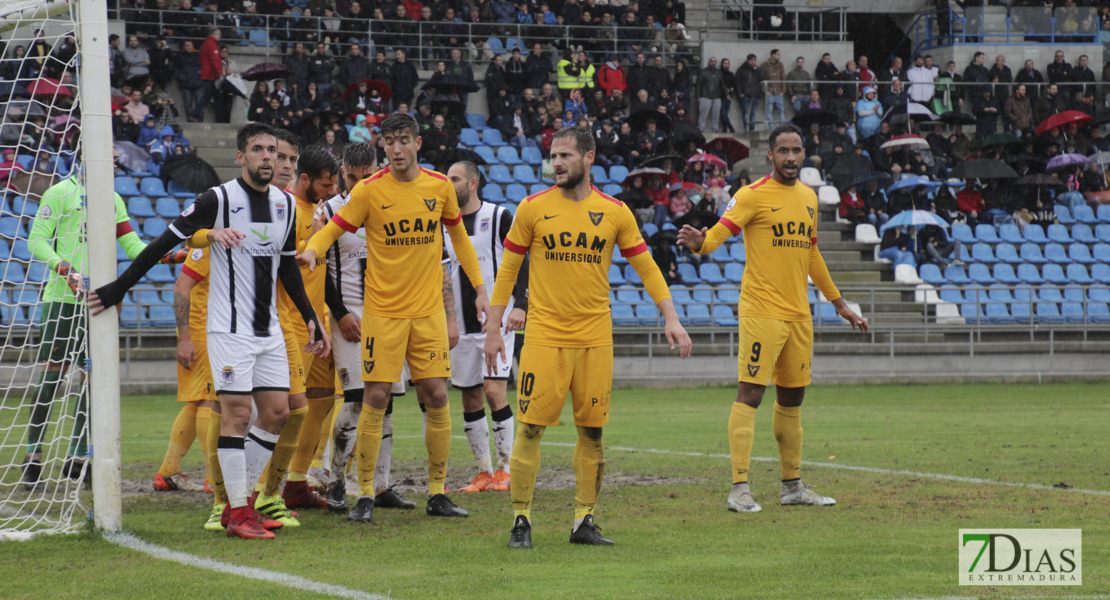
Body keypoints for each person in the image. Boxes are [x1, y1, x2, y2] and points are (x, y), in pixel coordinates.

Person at [90, 123, 331, 539]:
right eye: (257, 150)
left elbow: (287, 265)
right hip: (228, 330)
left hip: (270, 328)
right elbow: (161, 244)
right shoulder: (216, 200)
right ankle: (236, 512)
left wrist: (310, 316)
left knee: (277, 414)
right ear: (241, 157)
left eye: (272, 150)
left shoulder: (284, 205)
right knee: (237, 415)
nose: (267, 157)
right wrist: (118, 288)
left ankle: (244, 505)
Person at [484, 126, 693, 549]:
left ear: (589, 157)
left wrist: (671, 316)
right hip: (544, 338)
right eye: (552, 156)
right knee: (530, 430)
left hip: (596, 339)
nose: (556, 163)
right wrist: (492, 328)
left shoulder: (615, 212)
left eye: (564, 155)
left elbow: (647, 267)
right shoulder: (532, 208)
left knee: (593, 433)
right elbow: (507, 272)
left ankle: (583, 520)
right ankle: (521, 519)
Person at [300, 113, 489, 523]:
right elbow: (334, 229)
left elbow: (459, 241)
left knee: (437, 395)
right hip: (383, 314)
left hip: (427, 314)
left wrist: (480, 290)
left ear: (417, 143)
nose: (396, 148)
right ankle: (365, 492)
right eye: (389, 141)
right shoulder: (368, 191)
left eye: (403, 139)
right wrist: (314, 248)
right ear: (382, 146)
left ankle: (437, 492)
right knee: (375, 397)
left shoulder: (439, 187)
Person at [676, 123, 868, 514]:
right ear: (771, 155)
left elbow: (812, 254)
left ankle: (792, 486)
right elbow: (722, 231)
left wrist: (838, 303)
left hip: (799, 313)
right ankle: (739, 489)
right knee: (752, 392)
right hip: (762, 310)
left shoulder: (809, 198)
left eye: (797, 150)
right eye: (784, 151)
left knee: (793, 397)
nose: (791, 158)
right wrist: (701, 244)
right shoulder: (752, 195)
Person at [20, 147, 164, 489]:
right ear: (85, 157)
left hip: (100, 300)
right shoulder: (59, 193)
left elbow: (130, 243)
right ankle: (32, 456)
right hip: (61, 299)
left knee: (92, 377)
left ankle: (77, 457)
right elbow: (36, 241)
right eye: (107, 157)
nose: (113, 164)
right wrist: (65, 269)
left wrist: (167, 254)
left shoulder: (113, 199)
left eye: (115, 160)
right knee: (52, 378)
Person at [319, 143, 417, 514]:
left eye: (366, 176)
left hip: (388, 312)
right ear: (342, 172)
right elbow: (320, 268)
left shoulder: (391, 202)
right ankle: (336, 482)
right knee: (358, 398)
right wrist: (340, 312)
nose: (360, 183)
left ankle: (380, 485)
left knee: (385, 401)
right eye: (351, 176)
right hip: (350, 315)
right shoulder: (329, 210)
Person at [444, 161, 527, 494]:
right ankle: (483, 472)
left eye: (455, 179)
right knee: (470, 397)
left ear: (472, 182)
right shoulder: (444, 224)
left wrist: (520, 303)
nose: (449, 184)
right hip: (461, 325)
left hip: (497, 319)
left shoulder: (499, 216)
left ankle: (506, 471)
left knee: (495, 391)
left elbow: (521, 258)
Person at [760, 49, 786, 129]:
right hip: (770, 91)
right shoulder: (765, 65)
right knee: (769, 111)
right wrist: (765, 90)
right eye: (778, 54)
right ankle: (771, 128)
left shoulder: (780, 65)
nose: (779, 56)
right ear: (773, 55)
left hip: (778, 92)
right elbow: (761, 79)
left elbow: (783, 78)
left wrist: (783, 91)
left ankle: (782, 128)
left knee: (781, 111)